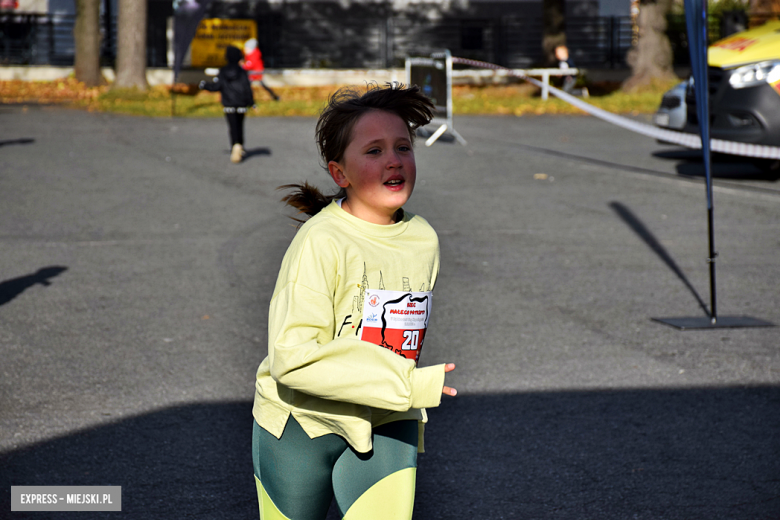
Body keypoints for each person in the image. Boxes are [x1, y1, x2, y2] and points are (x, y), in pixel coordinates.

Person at [251, 82, 457, 520]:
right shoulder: (320, 243)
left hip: (385, 415)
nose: (394, 159)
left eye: (403, 146)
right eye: (374, 151)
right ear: (339, 173)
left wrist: (396, 391)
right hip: (299, 424)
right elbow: (291, 358)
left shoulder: (424, 238)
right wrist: (406, 383)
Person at [199, 45, 254, 163]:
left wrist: (204, 85)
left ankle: (235, 145)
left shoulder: (223, 71)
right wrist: (251, 102)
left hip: (229, 104)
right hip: (241, 104)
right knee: (240, 125)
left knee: (232, 126)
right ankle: (240, 145)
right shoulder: (242, 71)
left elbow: (217, 86)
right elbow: (247, 88)